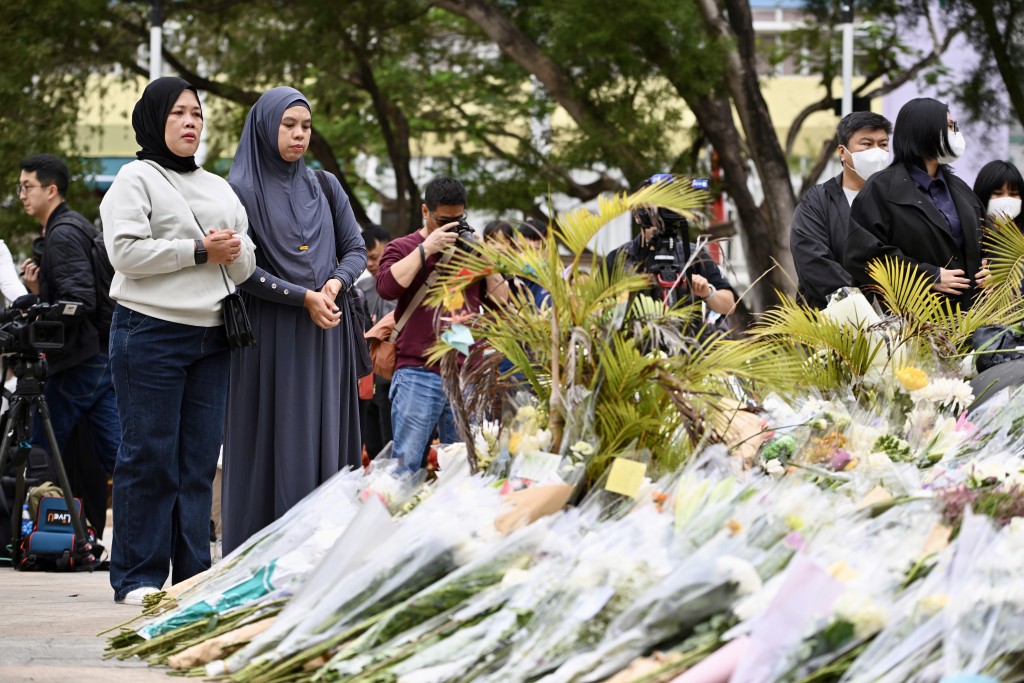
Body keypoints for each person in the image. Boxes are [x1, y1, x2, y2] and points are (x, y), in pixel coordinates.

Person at [100, 77, 256, 605]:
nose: (191, 123)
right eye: (178, 114)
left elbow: (247, 259)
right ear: (154, 121)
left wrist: (232, 251)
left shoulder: (219, 187)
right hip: (148, 331)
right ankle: (138, 579)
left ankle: (192, 577)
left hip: (211, 336)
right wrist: (196, 250)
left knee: (195, 464)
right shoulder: (134, 178)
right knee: (148, 456)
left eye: (197, 115)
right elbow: (124, 254)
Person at [222, 87, 366, 554]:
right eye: (289, 126)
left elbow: (356, 249)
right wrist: (302, 296)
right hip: (272, 338)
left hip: (327, 334)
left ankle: (324, 553)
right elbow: (240, 270)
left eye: (305, 126)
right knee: (278, 442)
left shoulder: (324, 185)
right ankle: (269, 556)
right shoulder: (238, 191)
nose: (300, 135)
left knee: (323, 437)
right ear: (266, 126)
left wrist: (335, 285)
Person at [376, 177, 509, 472]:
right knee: (406, 465)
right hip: (418, 371)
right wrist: (426, 248)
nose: (451, 226)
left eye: (458, 220)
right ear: (425, 212)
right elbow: (386, 287)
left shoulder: (471, 251)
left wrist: (486, 259)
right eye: (443, 221)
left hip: (466, 373)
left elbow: (503, 302)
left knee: (466, 464)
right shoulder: (404, 246)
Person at [16, 154, 120, 476]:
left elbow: (79, 301)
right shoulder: (73, 226)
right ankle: (167, 518)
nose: (21, 194)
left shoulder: (61, 234)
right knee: (118, 455)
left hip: (80, 361)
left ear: (51, 190)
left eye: (27, 186)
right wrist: (39, 292)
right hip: (99, 356)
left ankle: (35, 518)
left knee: (40, 451)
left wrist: (36, 309)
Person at [845, 98, 986, 309]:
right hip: (916, 322)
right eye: (948, 126)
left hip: (973, 319)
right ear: (923, 130)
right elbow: (863, 256)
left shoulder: (959, 188)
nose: (955, 133)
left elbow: (991, 240)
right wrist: (929, 276)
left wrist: (992, 267)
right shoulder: (881, 188)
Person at [791, 112, 892, 308]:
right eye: (866, 144)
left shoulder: (898, 200)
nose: (876, 151)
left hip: (896, 326)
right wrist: (863, 309)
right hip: (830, 327)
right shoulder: (817, 202)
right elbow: (813, 261)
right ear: (843, 152)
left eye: (883, 144)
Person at [606, 176, 736, 317]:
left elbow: (729, 305)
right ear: (637, 214)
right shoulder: (620, 258)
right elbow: (597, 310)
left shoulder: (694, 255)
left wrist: (708, 292)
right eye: (653, 208)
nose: (659, 217)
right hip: (634, 337)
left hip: (685, 337)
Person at [357, 225, 395, 460]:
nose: (370, 264)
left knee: (389, 442)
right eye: (365, 259)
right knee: (371, 444)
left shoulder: (403, 284)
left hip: (392, 375)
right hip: (367, 379)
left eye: (374, 257)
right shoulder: (362, 288)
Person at [973, 160, 1023, 232]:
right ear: (983, 193)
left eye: (1013, 194)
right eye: (998, 193)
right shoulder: (969, 233)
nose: (1006, 200)